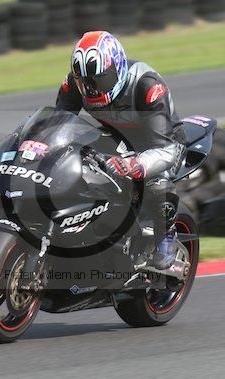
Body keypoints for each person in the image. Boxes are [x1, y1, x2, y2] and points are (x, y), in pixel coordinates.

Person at [55, 30, 187, 271]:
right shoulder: (73, 84)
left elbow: (165, 148)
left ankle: (166, 235)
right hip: (117, 137)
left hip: (162, 143)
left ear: (118, 67)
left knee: (155, 183)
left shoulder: (147, 86)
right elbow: (58, 123)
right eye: (85, 83)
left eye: (99, 81)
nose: (92, 90)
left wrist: (135, 165)